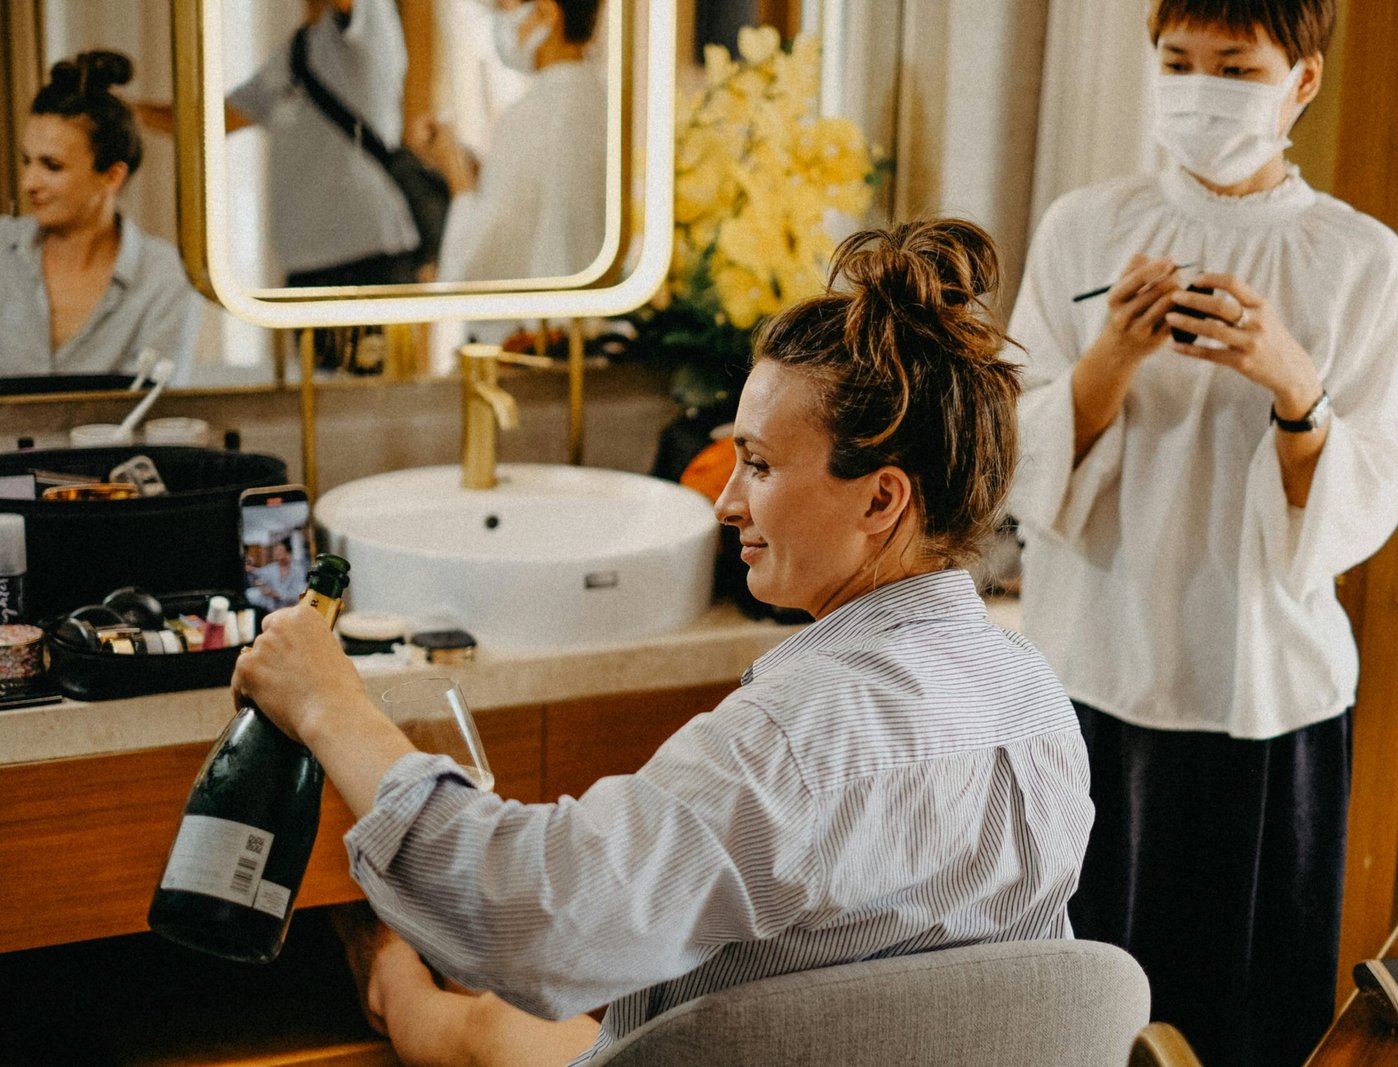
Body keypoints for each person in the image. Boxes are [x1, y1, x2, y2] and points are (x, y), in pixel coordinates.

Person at [235, 218, 1094, 1067]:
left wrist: (328, 701)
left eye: (756, 464)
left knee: (481, 1021)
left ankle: (385, 962)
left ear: (881, 502)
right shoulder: (1038, 700)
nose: (725, 503)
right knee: (514, 1022)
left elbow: (527, 921)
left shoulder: (797, 743)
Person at [1005, 2, 1398, 1064]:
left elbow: (1364, 491)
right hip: (1092, 666)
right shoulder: (1084, 226)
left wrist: (1293, 384)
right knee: (1079, 998)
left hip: (1263, 690)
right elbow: (1014, 449)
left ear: (1301, 82)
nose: (1196, 89)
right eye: (1175, 62)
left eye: (1233, 67)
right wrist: (1110, 359)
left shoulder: (1358, 259)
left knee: (1244, 1007)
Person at [0, 50, 199, 380]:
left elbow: (156, 410)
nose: (28, 183)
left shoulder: (165, 279)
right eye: (27, 161)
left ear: (111, 176)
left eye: (52, 166)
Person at [409, 0, 607, 288]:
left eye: (503, 9)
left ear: (544, 13)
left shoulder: (532, 115)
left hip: (539, 325)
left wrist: (456, 172)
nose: (500, 24)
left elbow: (477, 265)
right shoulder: (601, 101)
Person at [224, 0, 418, 287]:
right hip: (305, 264)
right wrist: (136, 114)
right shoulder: (296, 50)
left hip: (371, 254)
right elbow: (214, 121)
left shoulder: (372, 15)